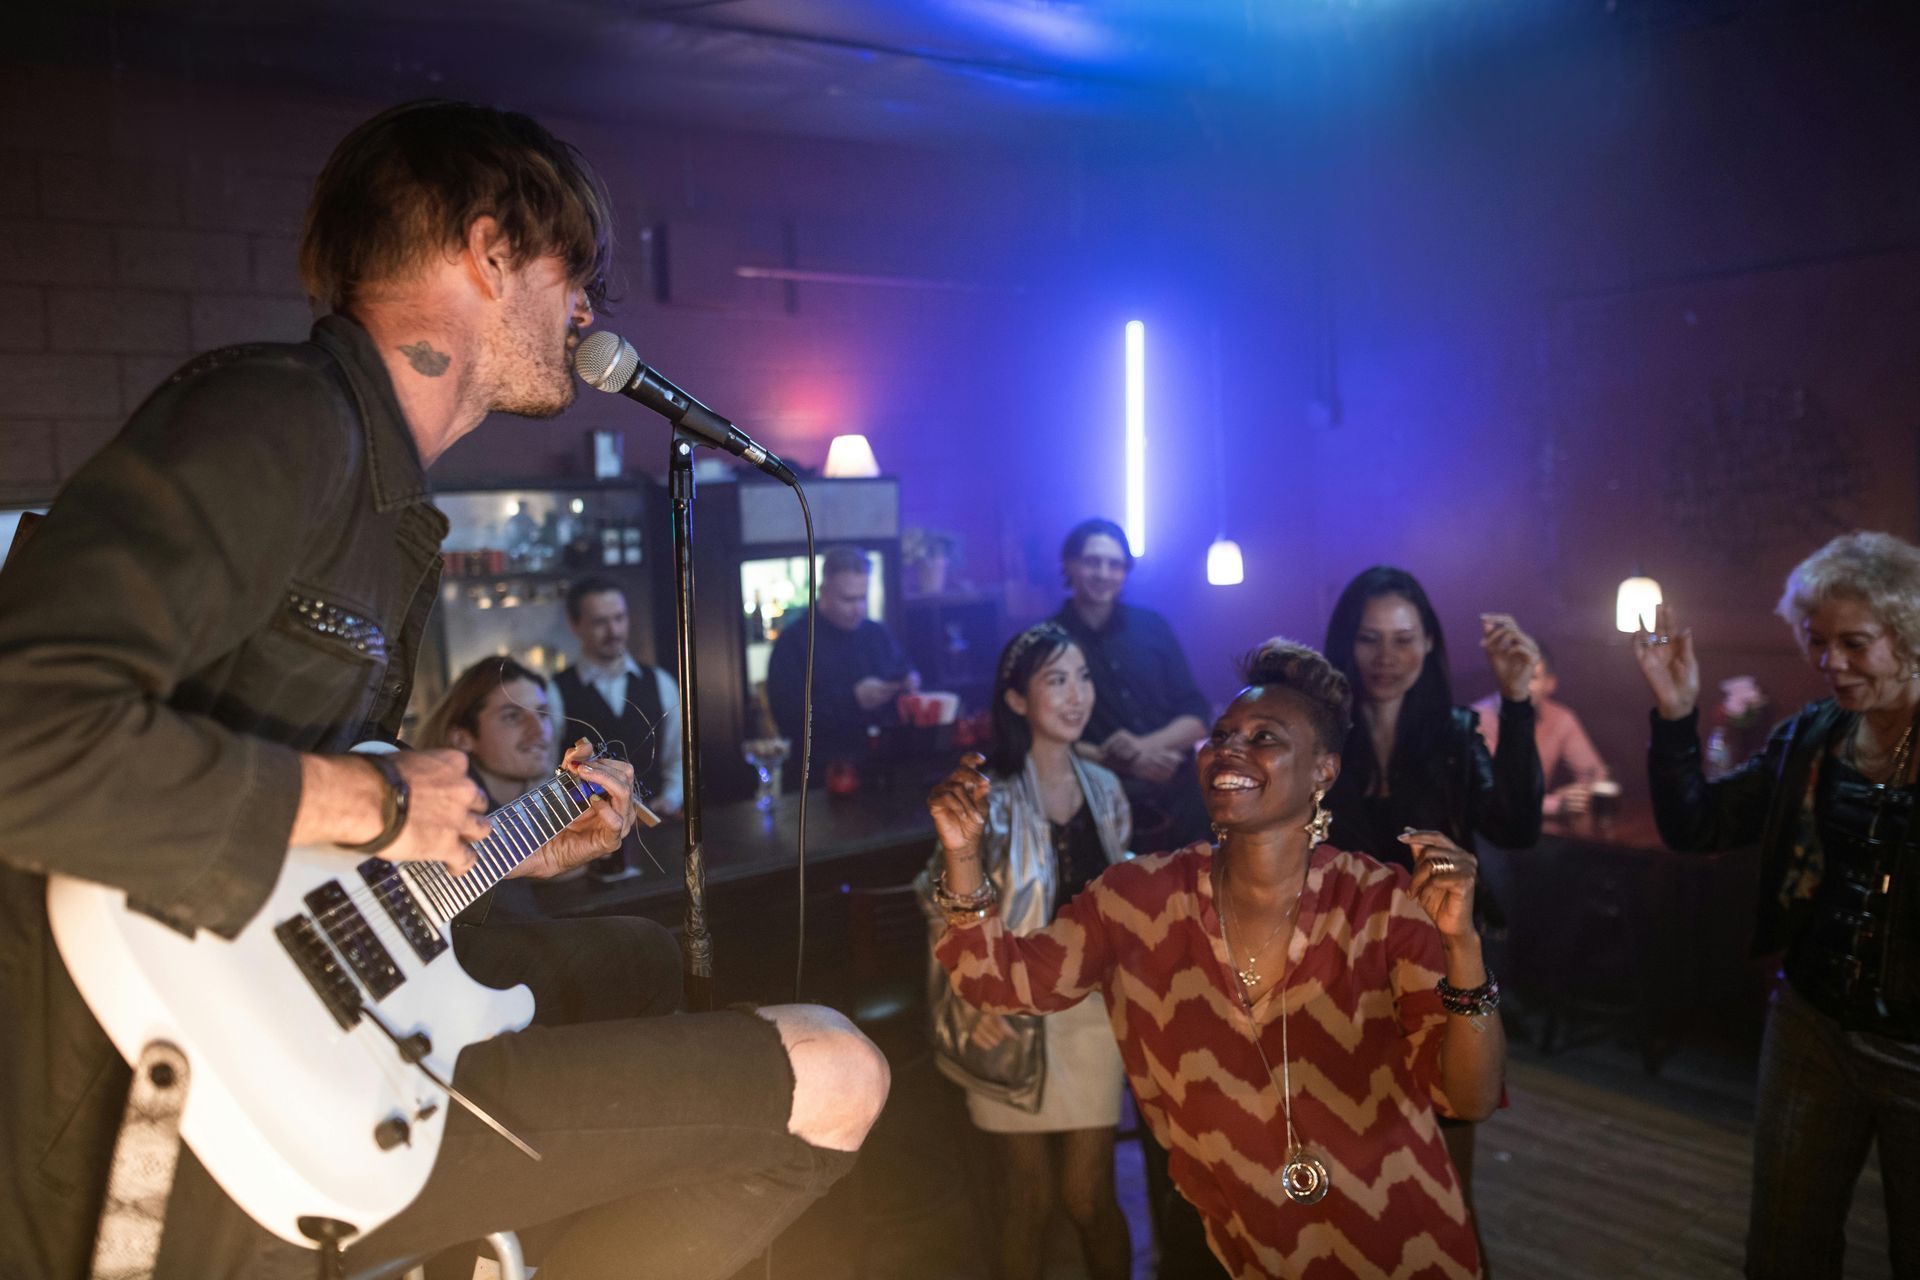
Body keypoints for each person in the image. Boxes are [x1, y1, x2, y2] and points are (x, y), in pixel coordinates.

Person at [0, 99, 886, 1280]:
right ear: (488, 250)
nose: (587, 314)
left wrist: (492, 845)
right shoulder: (280, 418)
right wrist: (369, 806)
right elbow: (30, 729)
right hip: (158, 1103)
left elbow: (302, 855)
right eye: (578, 273)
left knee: (680, 991)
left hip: (278, 1056)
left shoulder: (388, 509)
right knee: (833, 1075)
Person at [926, 639, 1504, 1279]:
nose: (1229, 749)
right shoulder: (1136, 901)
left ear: (1323, 772)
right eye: (1223, 734)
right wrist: (962, 855)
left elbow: (1467, 1097)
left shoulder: (1380, 903)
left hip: (1398, 1244)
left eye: (1264, 738)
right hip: (1233, 1246)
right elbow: (999, 983)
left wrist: (1463, 947)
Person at [1637, 530, 1920, 1280]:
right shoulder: (1814, 736)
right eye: (1817, 641)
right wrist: (1676, 715)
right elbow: (1699, 825)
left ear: (1910, 633)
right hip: (1813, 1027)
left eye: (1855, 643)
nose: (1832, 663)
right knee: (1784, 1250)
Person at [1318, 565, 1540, 1265]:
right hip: (1337, 974)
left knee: (1447, 1178)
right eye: (1370, 640)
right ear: (1344, 645)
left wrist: (1518, 700)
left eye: (1404, 640)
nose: (1387, 658)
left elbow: (1516, 824)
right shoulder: (1321, 737)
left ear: (1429, 645)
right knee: (1350, 1172)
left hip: (1435, 969)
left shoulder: (1452, 733)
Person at [918, 622, 1132, 1280]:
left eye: (1084, 677)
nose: (1077, 695)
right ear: (1015, 700)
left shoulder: (1105, 788)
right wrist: (968, 999)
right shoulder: (991, 800)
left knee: (1087, 1195)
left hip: (1093, 1017)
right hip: (1004, 1009)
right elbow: (940, 905)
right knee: (1027, 1198)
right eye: (1056, 680)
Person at [1051, 518, 1211, 852]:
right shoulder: (1050, 641)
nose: (1103, 573)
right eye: (1093, 562)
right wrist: (1115, 761)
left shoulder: (1152, 626)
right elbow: (1037, 735)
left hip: (1181, 798)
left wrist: (1144, 746)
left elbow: (1197, 715)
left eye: (1115, 564)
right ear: (1071, 565)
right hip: (1100, 808)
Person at [765, 545, 918, 786]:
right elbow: (790, 717)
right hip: (818, 778)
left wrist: (909, 683)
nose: (858, 608)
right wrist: (853, 699)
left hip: (879, 773)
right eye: (848, 599)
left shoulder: (876, 633)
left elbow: (904, 671)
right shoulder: (794, 642)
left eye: (863, 598)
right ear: (824, 591)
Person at [548, 576, 684, 818]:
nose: (614, 631)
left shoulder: (661, 682)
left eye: (619, 618)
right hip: (588, 832)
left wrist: (670, 800)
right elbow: (546, 770)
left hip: (654, 829)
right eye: (600, 622)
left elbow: (678, 758)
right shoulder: (555, 692)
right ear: (575, 625)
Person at [1471, 641, 1610, 815]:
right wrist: (1555, 804)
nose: (1519, 686)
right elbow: (1492, 796)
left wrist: (1577, 795)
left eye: (1531, 678)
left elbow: (1596, 774)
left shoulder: (1560, 718)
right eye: (1514, 676)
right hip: (1486, 830)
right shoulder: (1476, 719)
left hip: (1537, 829)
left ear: (1550, 684)